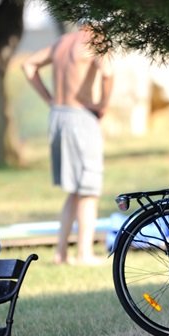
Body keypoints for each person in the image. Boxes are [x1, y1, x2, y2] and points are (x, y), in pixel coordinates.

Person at [22, 21, 114, 265]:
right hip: (79, 117)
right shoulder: (94, 42)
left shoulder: (63, 42)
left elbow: (28, 64)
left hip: (58, 115)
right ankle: (84, 253)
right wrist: (103, 105)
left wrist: (50, 100)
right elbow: (107, 73)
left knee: (74, 189)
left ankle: (61, 253)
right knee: (89, 189)